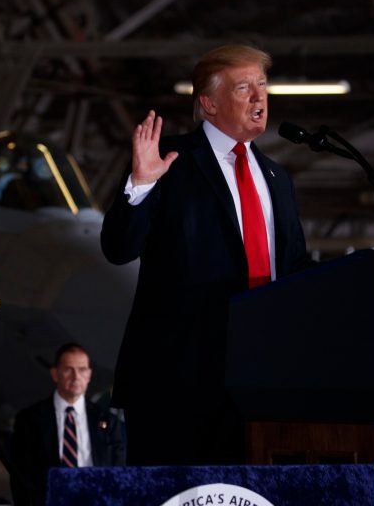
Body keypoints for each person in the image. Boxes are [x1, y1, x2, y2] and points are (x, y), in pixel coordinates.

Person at [100, 45, 310, 466]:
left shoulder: (277, 178)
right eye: (244, 88)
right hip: (178, 383)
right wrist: (140, 184)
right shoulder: (170, 162)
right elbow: (118, 248)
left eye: (263, 87)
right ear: (209, 103)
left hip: (260, 381)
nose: (259, 98)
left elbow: (296, 273)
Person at [11, 343, 125, 506]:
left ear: (89, 375)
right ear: (55, 374)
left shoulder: (108, 422)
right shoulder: (29, 420)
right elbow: (21, 478)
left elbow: (119, 475)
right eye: (68, 369)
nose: (76, 376)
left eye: (82, 369)